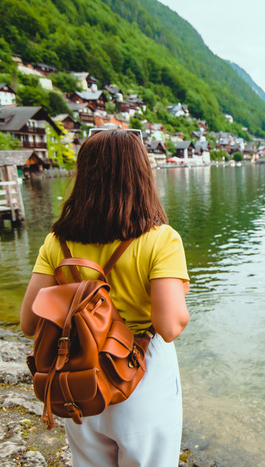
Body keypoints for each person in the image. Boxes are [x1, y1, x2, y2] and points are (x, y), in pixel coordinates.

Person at [20, 129, 190, 466]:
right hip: (140, 372)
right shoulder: (161, 240)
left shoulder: (58, 241)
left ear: (84, 176)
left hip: (78, 372)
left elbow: (29, 322)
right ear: (141, 174)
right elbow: (169, 326)